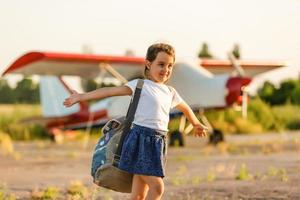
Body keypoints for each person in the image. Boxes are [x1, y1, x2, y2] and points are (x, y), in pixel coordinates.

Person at [63, 43, 208, 200]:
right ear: (148, 64)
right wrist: (81, 96)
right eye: (161, 64)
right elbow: (110, 91)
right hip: (140, 141)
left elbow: (185, 108)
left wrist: (195, 123)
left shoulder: (170, 92)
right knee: (157, 187)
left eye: (170, 66)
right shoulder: (140, 85)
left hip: (158, 142)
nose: (166, 70)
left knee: (138, 195)